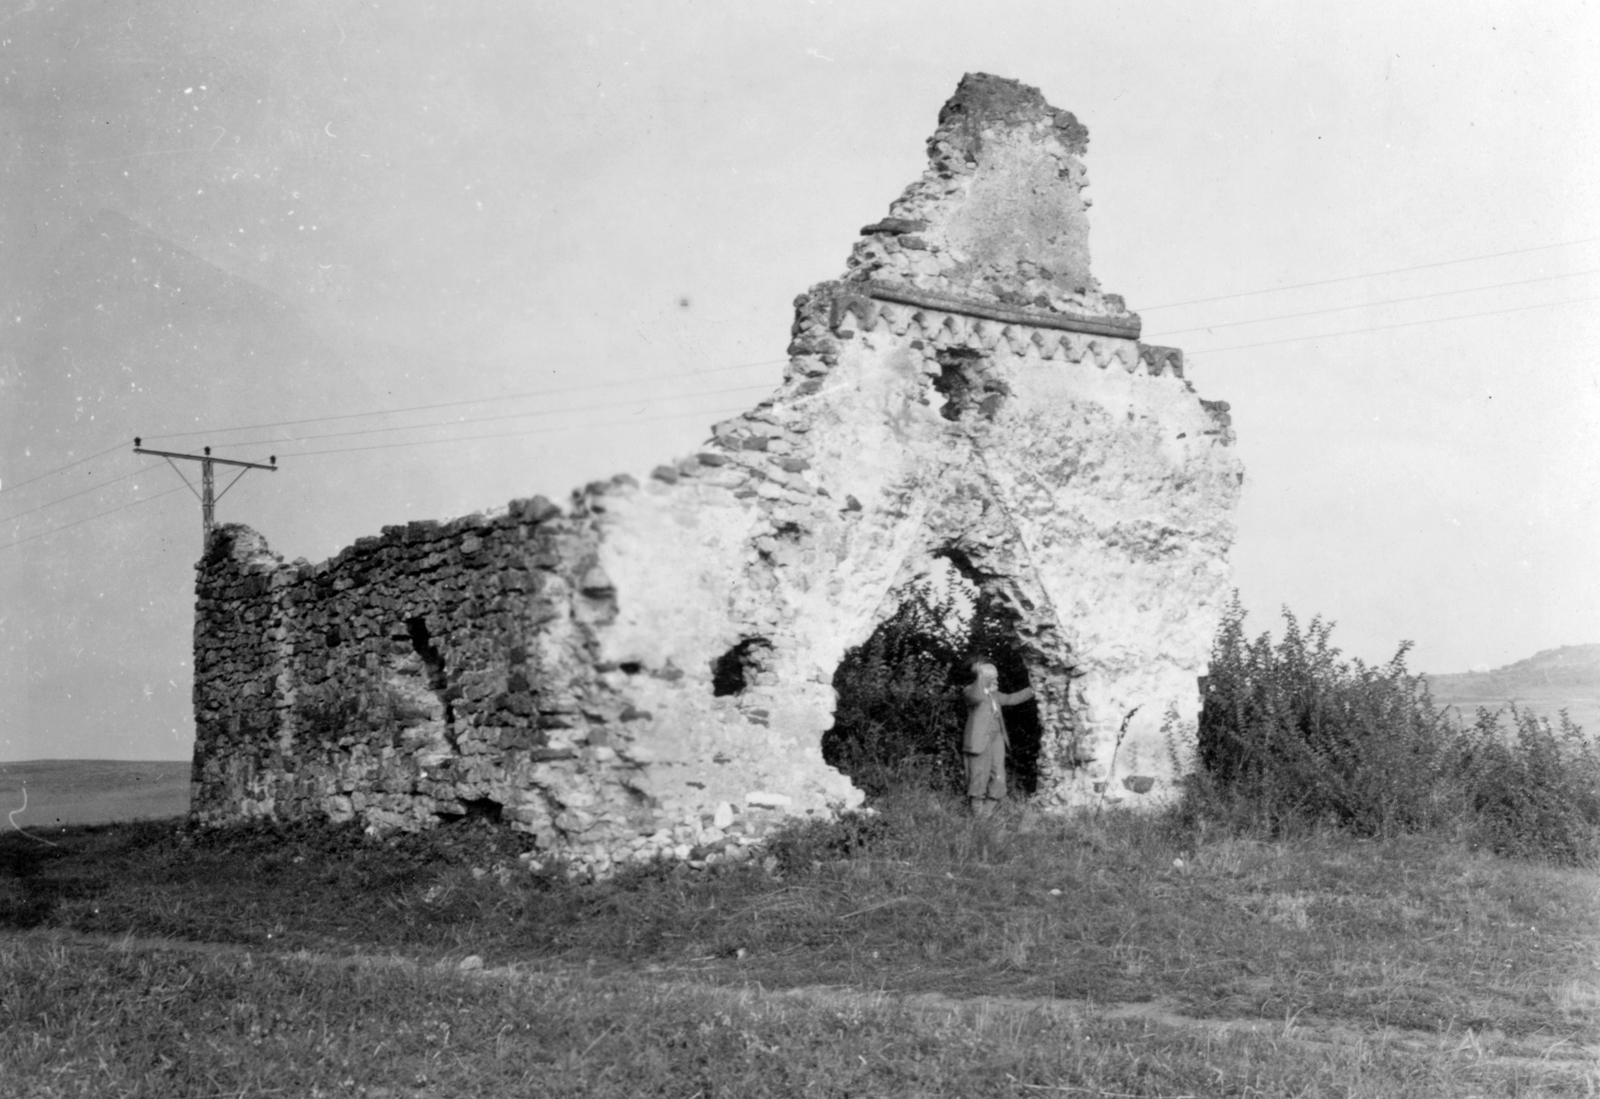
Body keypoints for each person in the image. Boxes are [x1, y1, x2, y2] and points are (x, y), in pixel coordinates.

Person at [961, 655, 1034, 817]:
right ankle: (977, 814)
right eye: (992, 679)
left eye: (996, 678)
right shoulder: (972, 692)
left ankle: (988, 812)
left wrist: (1033, 690)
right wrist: (982, 676)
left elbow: (1011, 698)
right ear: (982, 678)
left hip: (995, 739)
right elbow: (976, 693)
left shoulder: (995, 695)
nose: (997, 682)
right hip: (979, 741)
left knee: (998, 774)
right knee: (978, 774)